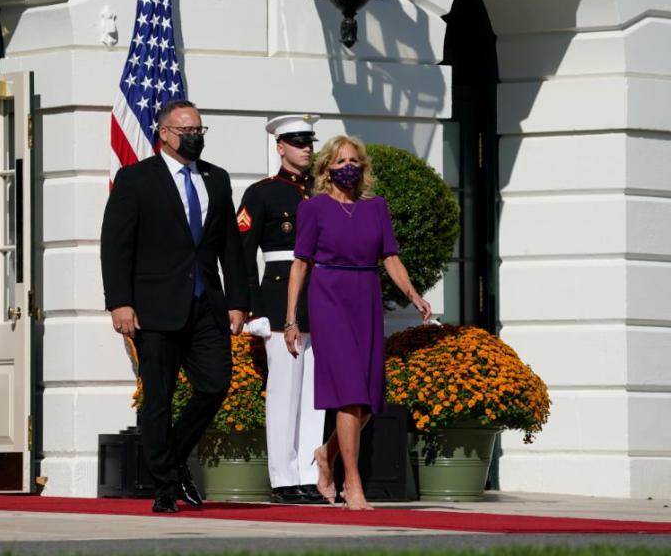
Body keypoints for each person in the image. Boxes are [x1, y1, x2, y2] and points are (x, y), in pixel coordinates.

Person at [101, 99, 248, 514]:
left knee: (215, 383)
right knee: (159, 399)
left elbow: (229, 248)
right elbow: (115, 246)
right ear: (164, 133)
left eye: (200, 129)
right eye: (187, 130)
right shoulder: (135, 180)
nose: (195, 136)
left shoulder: (217, 180)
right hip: (154, 307)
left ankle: (174, 456)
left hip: (206, 305)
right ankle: (165, 486)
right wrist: (120, 303)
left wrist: (238, 301)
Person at [284, 135, 432, 511]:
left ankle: (325, 454)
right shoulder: (314, 208)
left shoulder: (376, 207)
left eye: (354, 161)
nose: (348, 167)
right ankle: (353, 482)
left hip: (366, 297)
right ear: (326, 169)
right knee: (349, 392)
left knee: (366, 400)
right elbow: (301, 264)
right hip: (329, 296)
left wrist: (414, 294)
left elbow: (391, 258)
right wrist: (291, 319)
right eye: (340, 161)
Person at [236, 114, 324, 504]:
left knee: (313, 396)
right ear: (280, 146)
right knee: (285, 393)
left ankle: (307, 473)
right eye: (296, 141)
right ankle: (283, 479)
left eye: (308, 142)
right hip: (277, 299)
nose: (305, 148)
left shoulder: (325, 191)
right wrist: (251, 308)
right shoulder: (262, 193)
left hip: (320, 299)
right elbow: (243, 255)